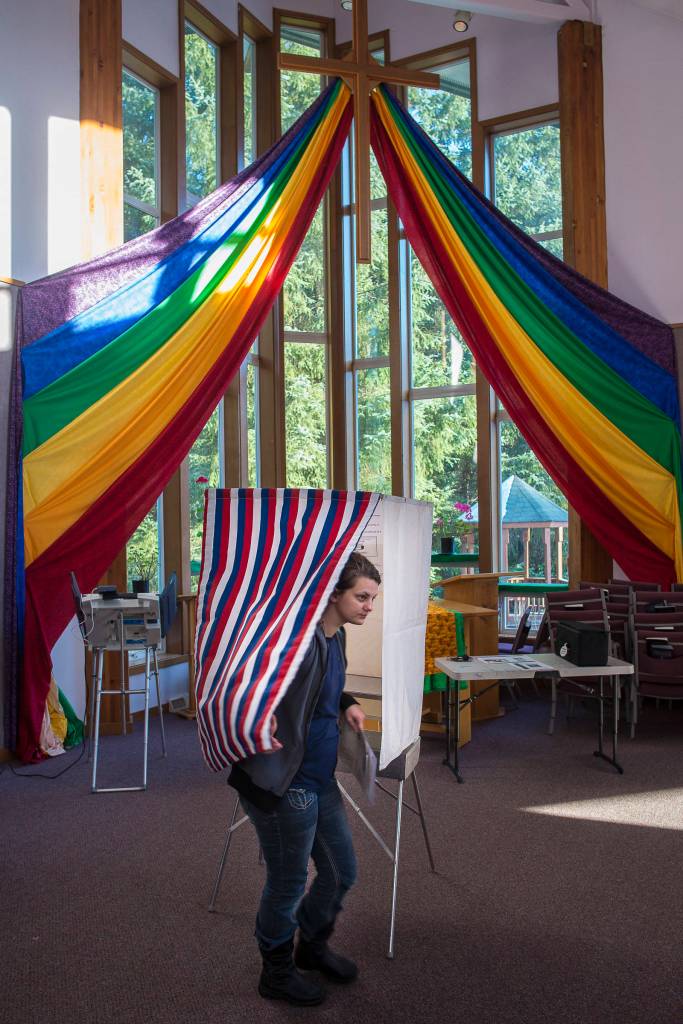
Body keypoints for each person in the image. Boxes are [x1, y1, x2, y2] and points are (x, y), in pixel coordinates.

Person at [228, 551, 382, 1006]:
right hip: (282, 783)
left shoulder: (334, 638)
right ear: (333, 594)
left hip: (318, 779)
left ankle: (310, 947)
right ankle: (274, 971)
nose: (369, 606)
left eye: (372, 598)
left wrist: (345, 700)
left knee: (341, 872)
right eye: (362, 597)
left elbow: (323, 687)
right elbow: (252, 686)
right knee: (289, 881)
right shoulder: (294, 644)